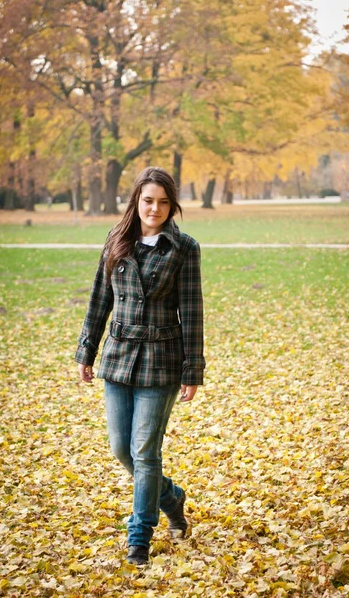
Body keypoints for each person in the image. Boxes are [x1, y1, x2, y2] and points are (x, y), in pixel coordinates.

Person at [75, 166, 205, 566]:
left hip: (162, 362)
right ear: (136, 201)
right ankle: (171, 496)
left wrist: (192, 370)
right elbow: (100, 299)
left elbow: (193, 311)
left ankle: (140, 535)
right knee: (121, 449)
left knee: (145, 452)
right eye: (148, 200)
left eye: (164, 202)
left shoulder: (184, 248)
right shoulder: (117, 240)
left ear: (172, 205)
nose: (155, 208)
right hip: (116, 360)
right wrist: (86, 351)